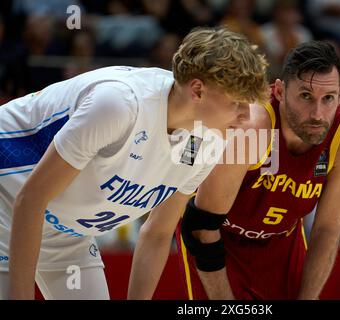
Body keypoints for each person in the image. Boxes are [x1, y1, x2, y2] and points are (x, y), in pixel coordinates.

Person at [0, 26, 268, 300]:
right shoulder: (119, 105)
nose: (246, 116)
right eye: (237, 103)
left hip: (66, 233)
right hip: (7, 202)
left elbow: (157, 233)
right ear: (197, 90)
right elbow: (30, 199)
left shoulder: (208, 142)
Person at [176, 41, 340, 299]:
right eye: (305, 96)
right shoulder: (252, 129)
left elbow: (327, 228)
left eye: (328, 98)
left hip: (282, 242)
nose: (317, 113)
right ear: (279, 91)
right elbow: (201, 226)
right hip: (218, 237)